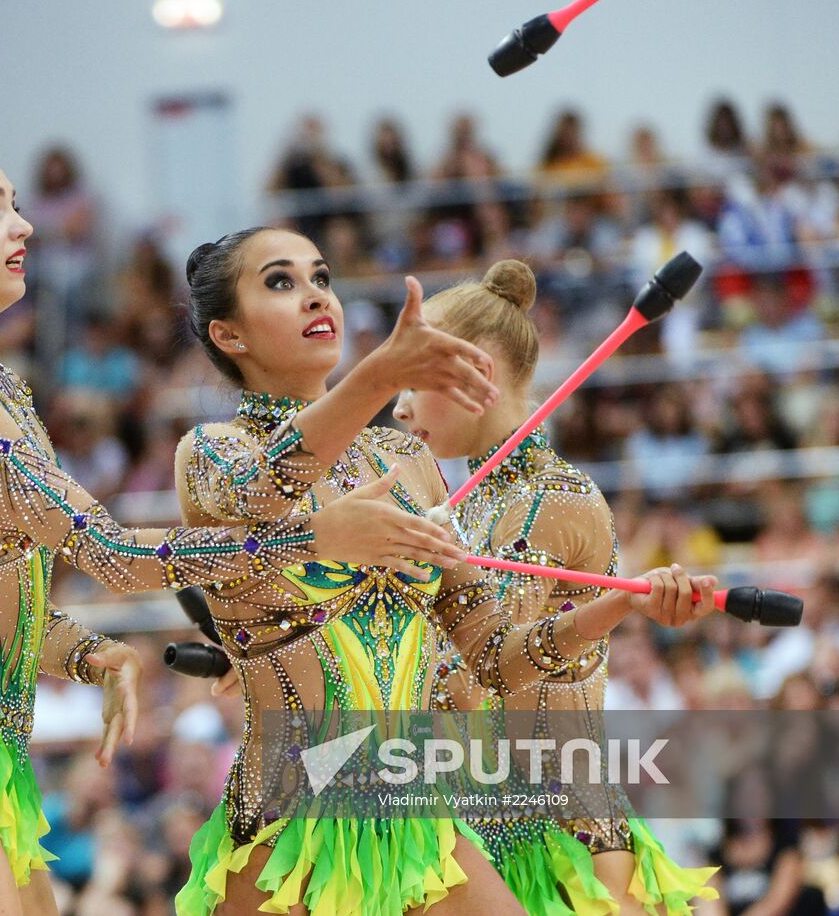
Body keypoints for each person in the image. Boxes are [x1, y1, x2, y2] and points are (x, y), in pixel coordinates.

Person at [0, 140, 464, 914]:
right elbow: (112, 554)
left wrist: (86, 653)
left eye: (13, 204)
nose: (23, 228)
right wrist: (315, 538)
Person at [173, 230, 716, 916]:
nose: (315, 293)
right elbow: (260, 492)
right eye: (279, 282)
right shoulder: (213, 450)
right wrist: (372, 376)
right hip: (292, 823)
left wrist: (623, 607)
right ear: (230, 334)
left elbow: (491, 657)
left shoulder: (408, 463)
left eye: (321, 275)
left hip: (411, 816)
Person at [394, 259, 719, 914]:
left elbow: (487, 667)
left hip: (564, 844)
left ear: (475, 371)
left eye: (411, 381)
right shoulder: (470, 506)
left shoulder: (555, 498)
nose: (398, 407)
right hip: (483, 825)